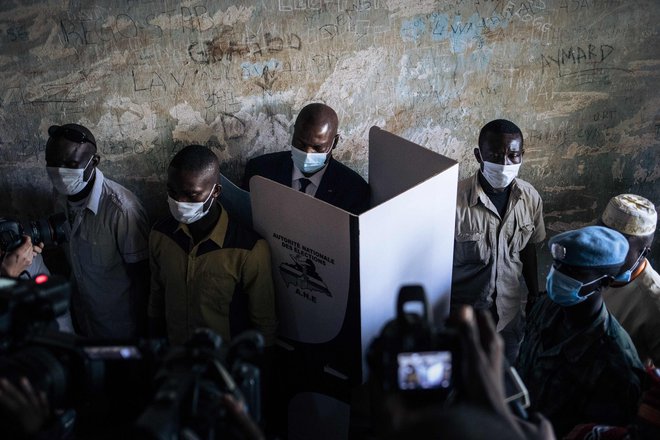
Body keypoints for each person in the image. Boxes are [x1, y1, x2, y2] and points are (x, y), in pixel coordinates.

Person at [516, 226, 646, 437]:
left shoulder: (617, 361)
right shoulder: (547, 306)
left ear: (604, 282)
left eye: (572, 272)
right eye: (557, 266)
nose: (557, 275)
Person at [148, 144, 277, 346]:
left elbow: (264, 323)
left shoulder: (248, 250)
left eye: (191, 195)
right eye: (172, 191)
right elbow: (156, 298)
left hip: (224, 363)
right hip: (176, 356)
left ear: (216, 191)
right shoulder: (160, 235)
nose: (179, 202)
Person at [451, 119, 545, 363]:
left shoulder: (530, 198)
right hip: (464, 319)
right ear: (478, 155)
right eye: (494, 155)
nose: (504, 164)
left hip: (509, 316)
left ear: (522, 155)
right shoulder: (453, 203)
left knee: (504, 382)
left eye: (513, 155)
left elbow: (529, 249)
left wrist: (534, 295)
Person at [46, 123, 150, 338]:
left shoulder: (121, 210)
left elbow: (142, 277)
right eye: (53, 164)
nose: (61, 171)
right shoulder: (58, 198)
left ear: (94, 162)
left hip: (120, 328)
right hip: (84, 321)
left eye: (71, 164)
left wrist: (142, 332)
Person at [242, 103, 370, 215]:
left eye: (317, 147)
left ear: (334, 142)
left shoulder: (354, 190)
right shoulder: (260, 171)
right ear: (294, 133)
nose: (307, 153)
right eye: (300, 143)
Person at [599, 194, 660, 365]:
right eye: (601, 235)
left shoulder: (653, 301)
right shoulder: (591, 268)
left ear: (644, 251)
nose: (604, 248)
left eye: (618, 245)